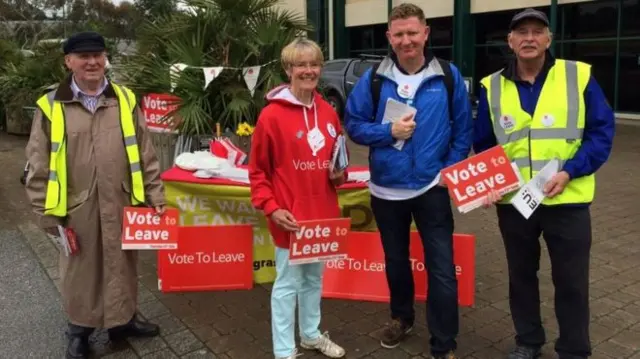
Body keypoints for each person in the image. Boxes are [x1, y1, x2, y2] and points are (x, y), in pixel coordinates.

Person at [474, 8, 615, 359]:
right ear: (510, 41)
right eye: (521, 32)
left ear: (549, 39)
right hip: (515, 201)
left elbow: (601, 133)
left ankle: (573, 349)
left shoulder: (578, 76)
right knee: (521, 278)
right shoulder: (491, 86)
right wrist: (488, 181)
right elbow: (484, 143)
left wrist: (570, 171)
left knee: (571, 282)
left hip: (567, 198)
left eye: (538, 31)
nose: (530, 38)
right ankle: (528, 341)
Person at [24, 31, 166, 359]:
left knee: (123, 264)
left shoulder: (125, 100)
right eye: (83, 56)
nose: (92, 62)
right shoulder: (50, 106)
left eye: (97, 55)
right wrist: (46, 213)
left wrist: (156, 195)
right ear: (68, 61)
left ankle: (122, 322)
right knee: (80, 270)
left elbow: (146, 153)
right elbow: (38, 164)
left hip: (122, 200)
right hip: (76, 206)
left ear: (105, 58)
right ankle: (79, 331)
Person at [343, 3, 473, 359]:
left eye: (412, 32)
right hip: (386, 190)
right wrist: (389, 131)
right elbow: (353, 125)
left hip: (432, 188)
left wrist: (451, 168)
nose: (406, 40)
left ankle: (444, 342)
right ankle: (402, 317)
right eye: (399, 34)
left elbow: (463, 131)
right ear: (389, 37)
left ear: (426, 33)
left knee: (442, 268)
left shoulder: (447, 75)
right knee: (396, 261)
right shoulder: (373, 79)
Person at [248, 37, 347, 359]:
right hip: (289, 218)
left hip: (322, 217)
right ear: (288, 69)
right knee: (286, 285)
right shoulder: (271, 116)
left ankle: (310, 335)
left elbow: (339, 165)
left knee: (313, 281)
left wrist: (338, 175)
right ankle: (284, 350)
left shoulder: (330, 113)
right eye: (301, 65)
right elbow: (258, 172)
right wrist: (272, 208)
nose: (308, 70)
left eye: (314, 64)